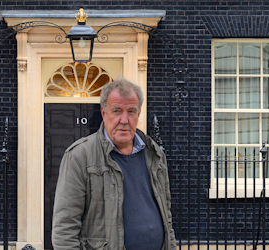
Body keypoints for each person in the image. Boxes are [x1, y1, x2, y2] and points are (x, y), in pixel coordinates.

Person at [52, 78, 176, 250]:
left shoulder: (155, 154)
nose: (124, 120)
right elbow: (64, 231)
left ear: (138, 114)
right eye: (117, 111)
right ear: (104, 113)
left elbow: (166, 215)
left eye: (131, 111)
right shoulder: (79, 156)